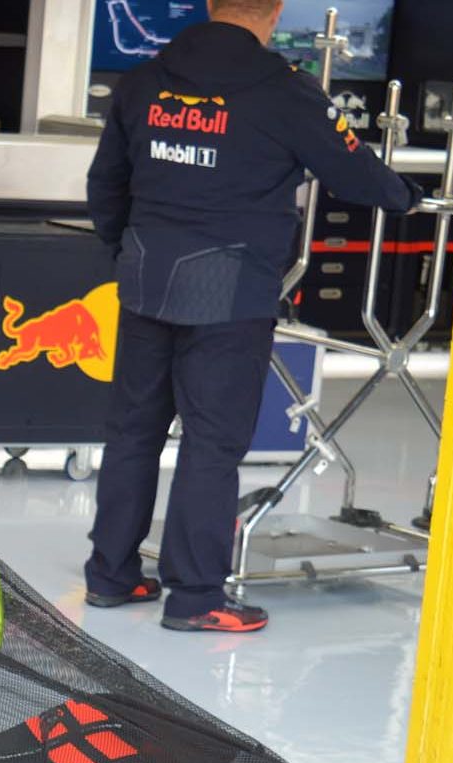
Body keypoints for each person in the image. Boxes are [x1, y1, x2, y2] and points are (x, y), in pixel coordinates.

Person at [82, 0, 421, 633]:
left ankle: (111, 575)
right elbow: (357, 174)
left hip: (145, 276)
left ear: (211, 5)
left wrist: (123, 252)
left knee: (133, 431)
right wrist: (408, 196)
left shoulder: (143, 81)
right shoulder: (286, 91)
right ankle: (195, 598)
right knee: (211, 443)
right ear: (276, 12)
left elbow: (105, 184)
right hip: (228, 290)